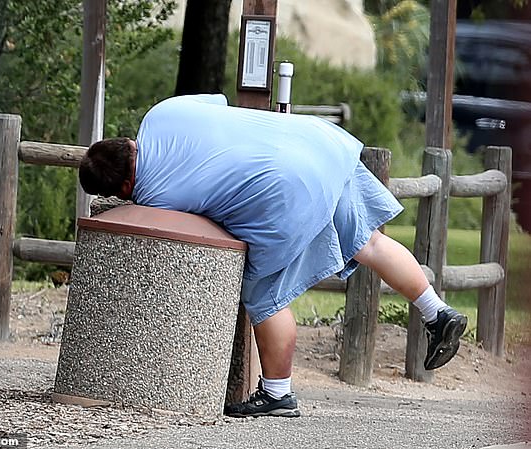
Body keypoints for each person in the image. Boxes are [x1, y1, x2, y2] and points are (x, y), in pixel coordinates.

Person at [78, 94, 468, 418]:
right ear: (127, 142)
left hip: (279, 188)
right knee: (369, 243)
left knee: (263, 294)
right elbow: (218, 103)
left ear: (125, 186)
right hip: (316, 143)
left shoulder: (153, 197)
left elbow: (200, 231)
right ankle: (437, 312)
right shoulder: (160, 114)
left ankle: (278, 394)